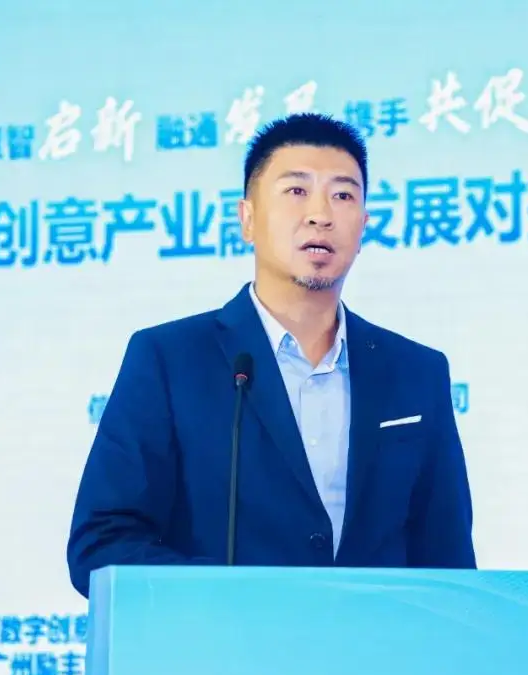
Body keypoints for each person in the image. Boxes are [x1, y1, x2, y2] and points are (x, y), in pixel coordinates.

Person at [66, 112, 475, 598]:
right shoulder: (169, 360)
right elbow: (102, 544)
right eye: (296, 191)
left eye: (343, 195)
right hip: (223, 641)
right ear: (247, 219)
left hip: (375, 645)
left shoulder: (417, 372)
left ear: (364, 226)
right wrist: (239, 597)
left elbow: (450, 565)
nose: (320, 214)